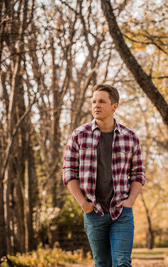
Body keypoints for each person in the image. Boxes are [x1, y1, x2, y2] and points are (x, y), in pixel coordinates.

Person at [63, 84, 145, 267]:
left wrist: (131, 200)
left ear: (114, 106)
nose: (96, 106)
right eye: (93, 102)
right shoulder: (79, 135)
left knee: (122, 262)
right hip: (93, 212)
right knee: (102, 263)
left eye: (101, 101)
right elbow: (69, 172)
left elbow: (138, 173)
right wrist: (83, 204)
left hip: (121, 211)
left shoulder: (129, 137)